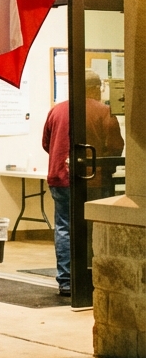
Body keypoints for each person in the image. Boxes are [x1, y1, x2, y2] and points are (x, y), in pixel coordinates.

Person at [42, 70, 124, 298]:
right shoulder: (103, 111)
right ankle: (90, 277)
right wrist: (105, 169)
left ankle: (67, 281)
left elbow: (46, 143)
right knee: (92, 228)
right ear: (97, 88)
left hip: (60, 178)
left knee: (64, 227)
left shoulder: (56, 110)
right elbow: (116, 146)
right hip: (93, 179)